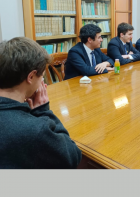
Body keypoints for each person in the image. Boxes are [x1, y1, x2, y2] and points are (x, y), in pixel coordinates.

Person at [0, 37, 82, 168]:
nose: (43, 82)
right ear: (31, 77)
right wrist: (43, 112)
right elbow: (72, 156)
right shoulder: (35, 129)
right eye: (42, 76)